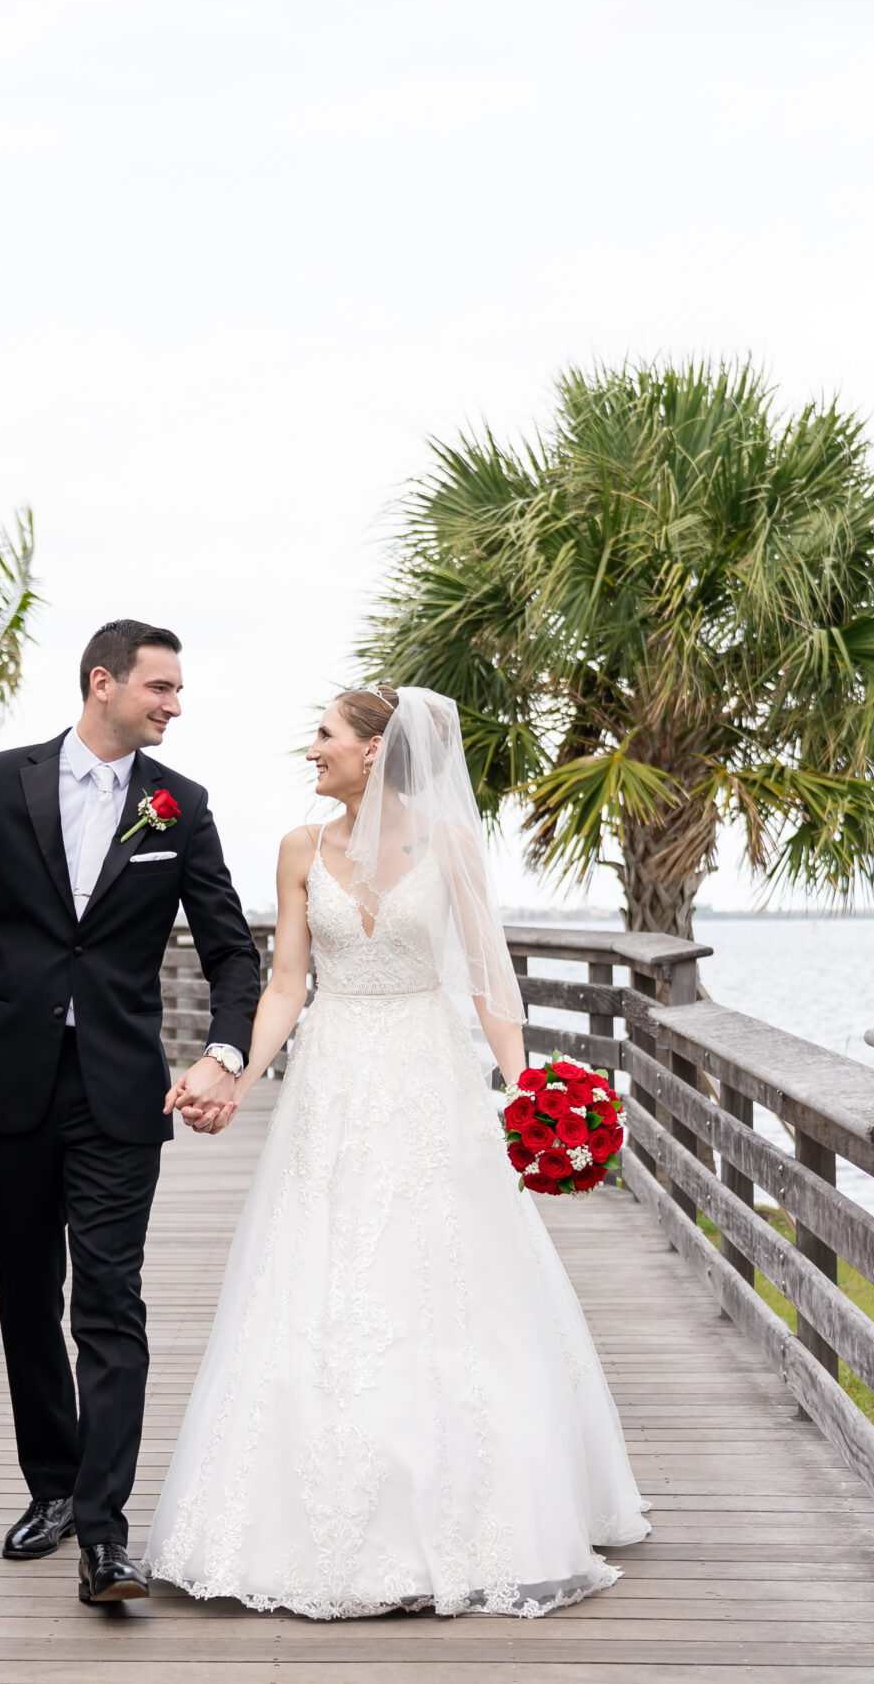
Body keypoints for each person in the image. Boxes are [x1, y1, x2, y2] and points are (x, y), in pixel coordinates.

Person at [147, 684, 648, 1618]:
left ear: (375, 748)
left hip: (429, 1074)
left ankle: (478, 1511)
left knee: (446, 1277)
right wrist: (241, 1075)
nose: (312, 750)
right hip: (333, 1080)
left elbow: (490, 978)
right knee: (322, 1276)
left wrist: (526, 1091)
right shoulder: (300, 847)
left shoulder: (450, 843)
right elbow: (286, 983)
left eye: (325, 734)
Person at [0, 619, 262, 1607]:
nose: (175, 704)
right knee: (25, 1293)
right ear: (103, 682)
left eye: (177, 689)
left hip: (119, 1089)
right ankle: (52, 1486)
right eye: (159, 687)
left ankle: (106, 1535)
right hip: (7, 1082)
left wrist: (225, 1053)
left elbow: (233, 951)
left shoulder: (179, 805)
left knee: (109, 1301)